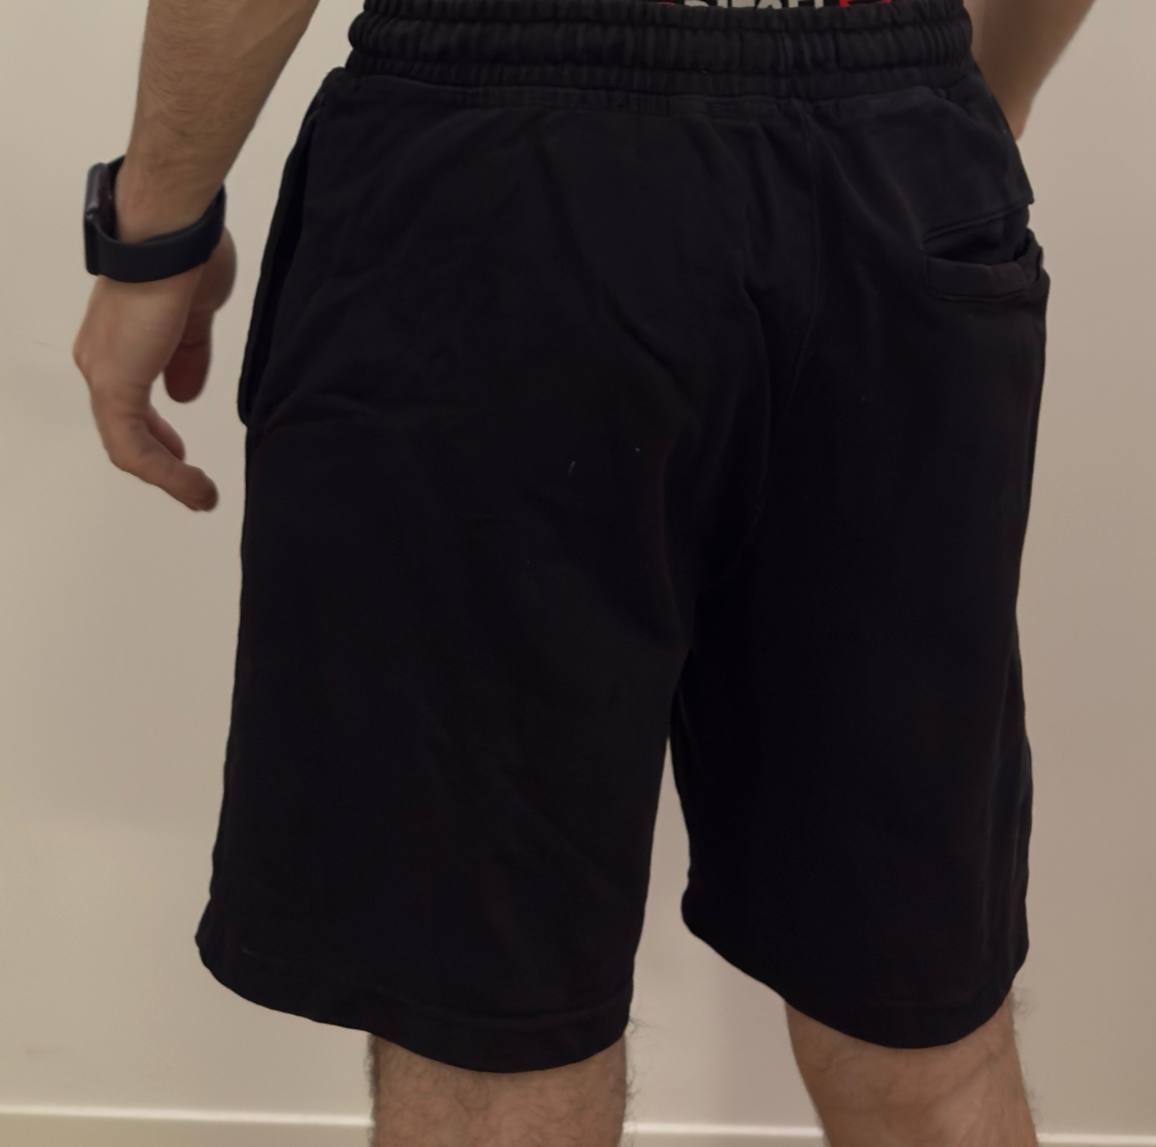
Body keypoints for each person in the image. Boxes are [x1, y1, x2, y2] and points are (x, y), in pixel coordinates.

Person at [71, 0, 1095, 1142]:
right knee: (922, 999)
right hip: (903, 149)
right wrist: (955, 110)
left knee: (485, 1014)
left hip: (504, 149)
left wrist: (150, 234)